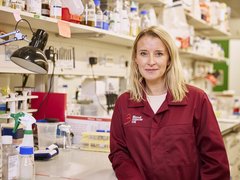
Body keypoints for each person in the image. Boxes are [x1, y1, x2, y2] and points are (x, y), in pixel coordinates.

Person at [108, 26, 230, 180]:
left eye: (159, 54)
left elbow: (215, 159)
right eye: (144, 54)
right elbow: (119, 153)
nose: (151, 61)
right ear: (135, 59)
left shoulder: (196, 99)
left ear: (169, 59)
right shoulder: (124, 103)